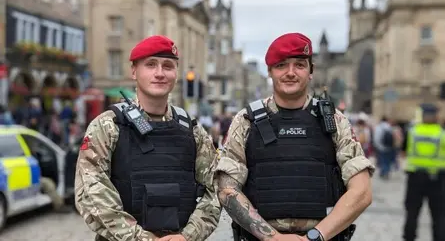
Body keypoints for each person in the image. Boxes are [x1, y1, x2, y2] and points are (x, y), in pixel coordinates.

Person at [215, 32, 375, 241]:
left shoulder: (334, 120)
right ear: (270, 71)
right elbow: (227, 189)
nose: (290, 72)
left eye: (299, 65)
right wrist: (273, 238)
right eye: (281, 65)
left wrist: (315, 236)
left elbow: (362, 191)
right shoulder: (246, 121)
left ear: (311, 71)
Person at [75, 35, 221, 241]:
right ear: (134, 71)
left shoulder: (192, 130)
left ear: (176, 74)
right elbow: (91, 195)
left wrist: (188, 236)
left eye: (168, 66)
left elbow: (214, 189)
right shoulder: (108, 126)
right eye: (151, 65)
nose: (160, 73)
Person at [401, 103, 445, 241]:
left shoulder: (412, 132)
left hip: (415, 178)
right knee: (439, 215)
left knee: (412, 213)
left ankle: (409, 238)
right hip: (437, 179)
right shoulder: (442, 134)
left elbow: (403, 152)